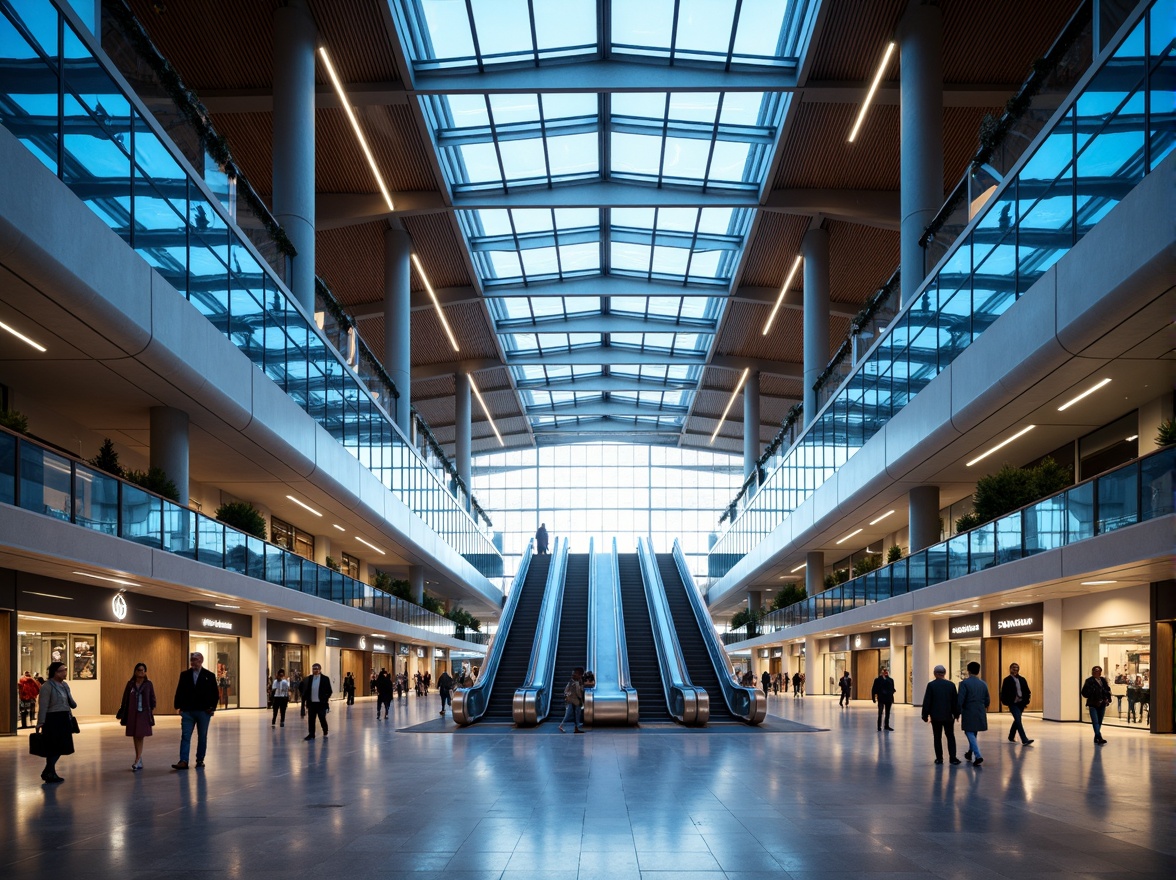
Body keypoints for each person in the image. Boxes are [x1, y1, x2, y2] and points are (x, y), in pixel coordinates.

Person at [172, 651, 219, 770]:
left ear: (201, 661)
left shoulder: (209, 676)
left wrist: (212, 707)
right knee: (185, 736)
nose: (194, 663)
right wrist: (178, 706)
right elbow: (180, 691)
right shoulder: (184, 675)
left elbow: (214, 694)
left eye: (196, 660)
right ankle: (183, 760)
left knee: (202, 736)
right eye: (192, 660)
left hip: (204, 712)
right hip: (188, 711)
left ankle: (200, 759)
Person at [35, 661, 76, 783]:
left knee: (62, 746)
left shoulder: (65, 685)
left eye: (65, 670)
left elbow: (71, 703)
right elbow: (43, 706)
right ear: (54, 672)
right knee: (54, 747)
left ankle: (49, 772)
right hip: (52, 719)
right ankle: (49, 771)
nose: (65, 673)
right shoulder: (47, 687)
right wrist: (40, 722)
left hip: (64, 718)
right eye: (62, 670)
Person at [117, 662, 156, 771]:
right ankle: (138, 759)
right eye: (139, 670)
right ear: (135, 671)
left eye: (143, 670)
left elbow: (152, 698)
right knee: (135, 735)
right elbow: (125, 698)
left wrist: (150, 709)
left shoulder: (148, 684)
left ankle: (137, 759)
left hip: (143, 713)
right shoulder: (130, 684)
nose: (141, 672)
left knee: (140, 735)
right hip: (132, 713)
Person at [921, 665, 961, 765]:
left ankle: (939, 758)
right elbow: (955, 701)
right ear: (944, 673)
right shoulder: (951, 685)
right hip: (948, 716)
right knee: (950, 736)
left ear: (935, 673)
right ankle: (953, 758)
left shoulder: (931, 685)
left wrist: (925, 715)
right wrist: (956, 714)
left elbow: (927, 701)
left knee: (937, 737)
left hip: (936, 716)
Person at [957, 661, 990, 766]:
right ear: (978, 671)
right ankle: (969, 753)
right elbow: (987, 699)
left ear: (968, 670)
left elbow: (960, 699)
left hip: (968, 710)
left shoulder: (964, 683)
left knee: (969, 732)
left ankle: (978, 755)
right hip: (980, 710)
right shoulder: (983, 684)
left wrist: (957, 712)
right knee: (974, 732)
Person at [1000, 662, 1034, 746]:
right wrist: (1006, 702)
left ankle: (1011, 736)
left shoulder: (1022, 679)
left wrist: (1026, 701)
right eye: (1013, 667)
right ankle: (1024, 739)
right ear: (1010, 669)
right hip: (1013, 703)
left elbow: (1027, 691)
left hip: (1021, 703)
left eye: (1017, 667)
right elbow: (1003, 693)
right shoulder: (1007, 680)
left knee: (1017, 720)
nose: (1015, 669)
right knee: (1018, 720)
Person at [300, 663, 332, 740]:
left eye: (317, 668)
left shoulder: (325, 679)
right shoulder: (309, 679)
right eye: (314, 668)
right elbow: (303, 688)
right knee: (311, 719)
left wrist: (325, 699)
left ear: (320, 669)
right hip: (311, 703)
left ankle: (325, 730)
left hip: (321, 703)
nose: (315, 670)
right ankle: (311, 734)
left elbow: (329, 691)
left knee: (322, 718)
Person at [1081, 665, 1111, 745]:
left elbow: (1107, 690)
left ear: (1100, 672)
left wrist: (1107, 699)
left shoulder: (1103, 680)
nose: (1095, 672)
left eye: (1097, 671)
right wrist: (1092, 691)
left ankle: (1096, 737)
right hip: (1093, 704)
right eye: (1094, 671)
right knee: (1095, 721)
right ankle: (1099, 737)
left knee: (1100, 721)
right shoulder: (1089, 681)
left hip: (1102, 704)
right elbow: (1084, 693)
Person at [559, 667, 584, 733]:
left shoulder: (575, 682)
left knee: (577, 713)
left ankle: (576, 727)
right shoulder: (574, 683)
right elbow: (578, 692)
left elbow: (567, 691)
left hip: (575, 701)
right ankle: (561, 726)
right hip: (573, 701)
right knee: (569, 714)